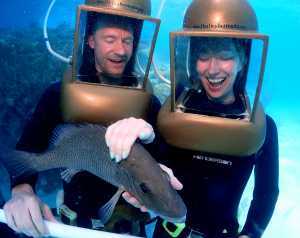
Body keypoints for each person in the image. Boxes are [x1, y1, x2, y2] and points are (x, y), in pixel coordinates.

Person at [105, 1, 279, 238]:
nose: (212, 69)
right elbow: (156, 165)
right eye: (203, 57)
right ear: (193, 62)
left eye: (225, 56)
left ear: (243, 61)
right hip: (168, 232)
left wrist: (251, 233)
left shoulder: (264, 127)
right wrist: (142, 133)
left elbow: (267, 192)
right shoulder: (175, 113)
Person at [3, 0, 162, 237]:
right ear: (90, 41)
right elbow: (28, 148)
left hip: (126, 228)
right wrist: (22, 190)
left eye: (127, 40)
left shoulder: (147, 101)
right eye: (109, 39)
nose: (120, 50)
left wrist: (149, 135)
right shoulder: (59, 94)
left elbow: (162, 163)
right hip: (71, 226)